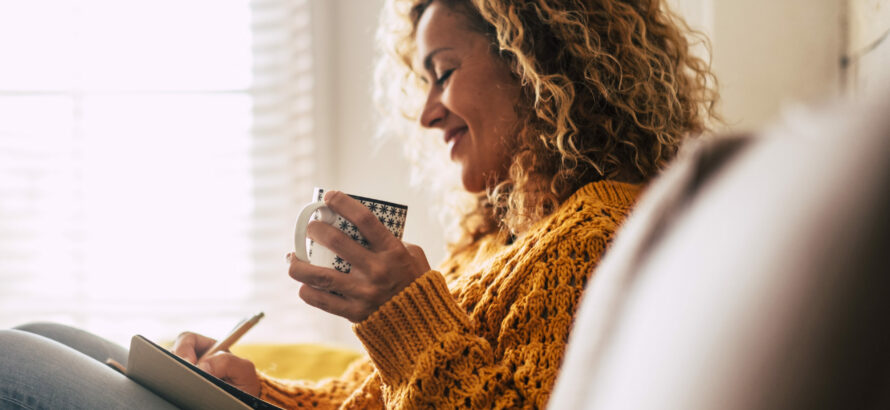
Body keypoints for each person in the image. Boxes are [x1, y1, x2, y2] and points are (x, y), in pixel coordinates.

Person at [0, 0, 717, 408]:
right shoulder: (499, 239)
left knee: (14, 362)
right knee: (48, 334)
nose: (428, 114)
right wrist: (261, 392)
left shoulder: (599, 234)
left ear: (539, 65)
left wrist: (405, 312)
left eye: (444, 74)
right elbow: (372, 400)